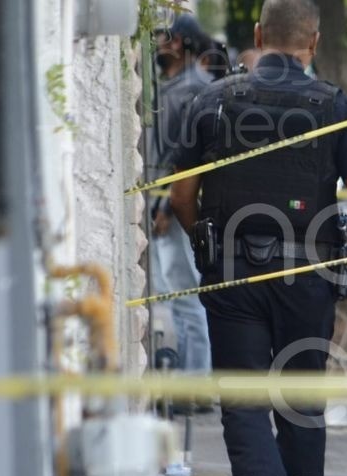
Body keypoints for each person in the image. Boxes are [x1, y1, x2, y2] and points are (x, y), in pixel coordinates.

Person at [168, 0, 347, 476]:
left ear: (261, 35)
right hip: (307, 276)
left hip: (234, 274)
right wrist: (346, 254)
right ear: (313, 42)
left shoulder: (212, 99)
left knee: (243, 403)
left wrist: (205, 247)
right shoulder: (333, 105)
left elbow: (181, 195)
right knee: (301, 407)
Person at [147, 14, 213, 379]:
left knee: (186, 296)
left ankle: (195, 384)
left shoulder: (192, 88)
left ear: (182, 44)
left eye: (166, 37)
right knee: (176, 294)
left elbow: (182, 157)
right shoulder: (174, 86)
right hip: (165, 205)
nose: (160, 44)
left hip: (175, 209)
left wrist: (165, 208)